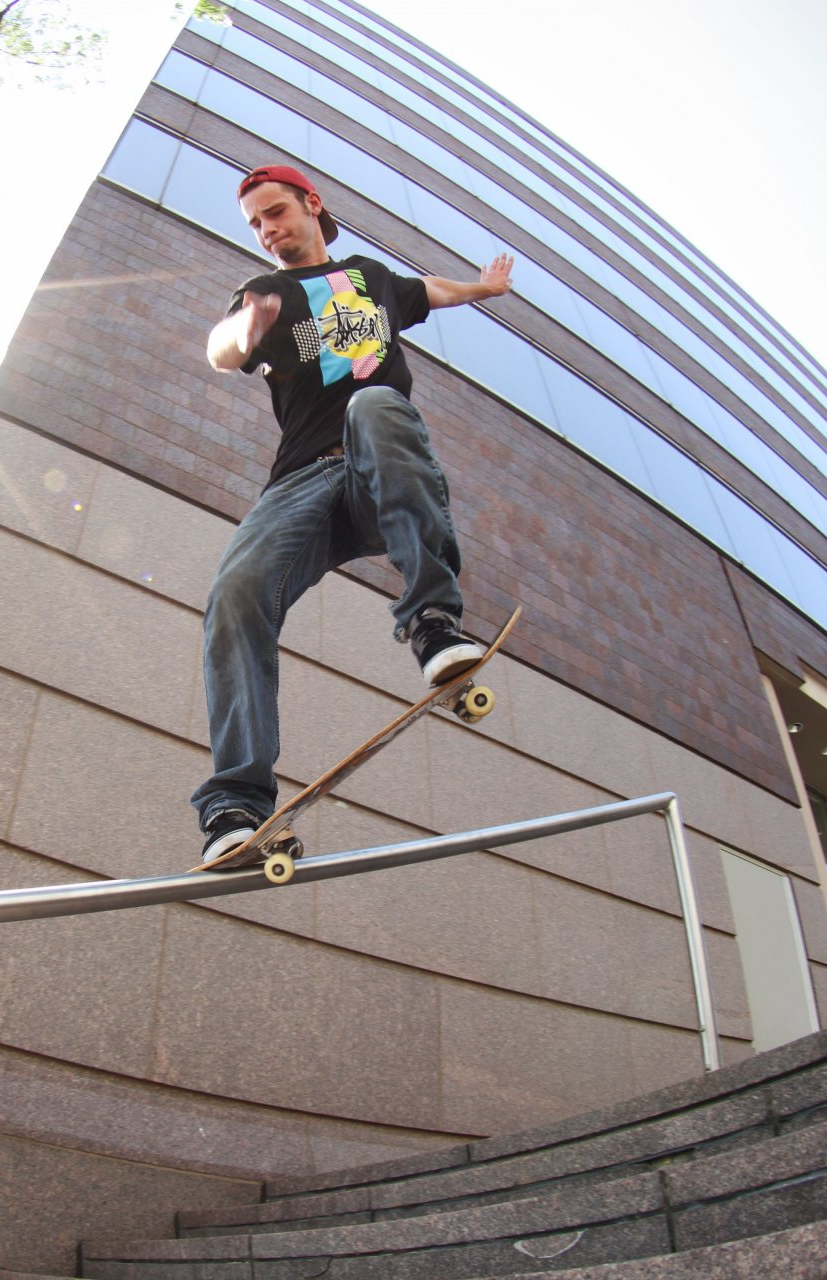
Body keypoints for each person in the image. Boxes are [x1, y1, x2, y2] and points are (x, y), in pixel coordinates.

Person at [193, 163, 514, 866]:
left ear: (312, 204)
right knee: (236, 595)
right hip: (302, 483)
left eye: (276, 213)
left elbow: (427, 291)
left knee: (374, 402)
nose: (268, 231)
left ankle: (433, 624)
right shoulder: (265, 292)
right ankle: (237, 804)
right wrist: (245, 329)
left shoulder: (368, 277)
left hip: (380, 468)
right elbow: (220, 351)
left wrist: (482, 289)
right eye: (255, 224)